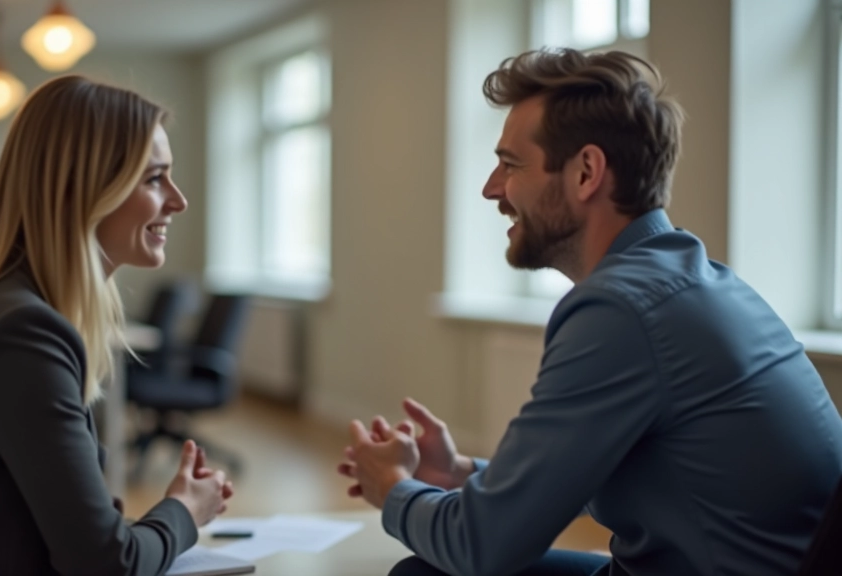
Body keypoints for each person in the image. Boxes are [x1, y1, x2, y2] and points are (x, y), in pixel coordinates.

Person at [339, 48, 842, 576]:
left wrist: (393, 487)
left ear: (586, 172)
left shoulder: (621, 310)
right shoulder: (696, 280)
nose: (491, 188)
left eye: (510, 164)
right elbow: (589, 472)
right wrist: (462, 472)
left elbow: (480, 547)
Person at [0, 76, 233, 576]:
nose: (178, 200)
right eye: (154, 178)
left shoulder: (10, 311)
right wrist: (184, 512)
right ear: (83, 190)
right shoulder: (19, 332)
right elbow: (106, 564)